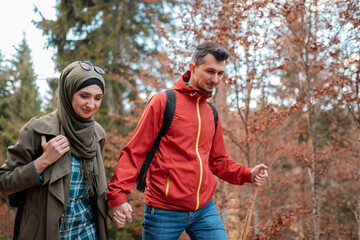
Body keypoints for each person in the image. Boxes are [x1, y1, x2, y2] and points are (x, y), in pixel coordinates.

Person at [107, 41, 269, 239]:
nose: (216, 79)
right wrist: (117, 195)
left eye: (220, 73)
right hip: (163, 210)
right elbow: (135, 151)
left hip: (204, 209)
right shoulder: (164, 102)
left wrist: (247, 173)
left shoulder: (211, 112)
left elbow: (217, 161)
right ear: (192, 68)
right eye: (210, 71)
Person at [0, 61, 109, 240]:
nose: (91, 105)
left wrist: (116, 204)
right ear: (68, 93)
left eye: (97, 98)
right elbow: (3, 181)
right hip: (47, 233)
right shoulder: (38, 129)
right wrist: (43, 161)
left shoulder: (97, 134)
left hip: (89, 233)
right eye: (84, 95)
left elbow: (96, 188)